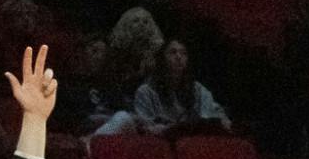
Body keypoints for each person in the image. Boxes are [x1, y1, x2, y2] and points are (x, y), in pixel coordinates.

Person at [97, 39, 229, 137]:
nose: (179, 57)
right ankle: (92, 143)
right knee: (122, 117)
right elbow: (146, 128)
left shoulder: (198, 89)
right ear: (162, 59)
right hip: (157, 143)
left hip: (192, 144)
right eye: (173, 52)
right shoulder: (146, 91)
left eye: (183, 53)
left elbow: (211, 116)